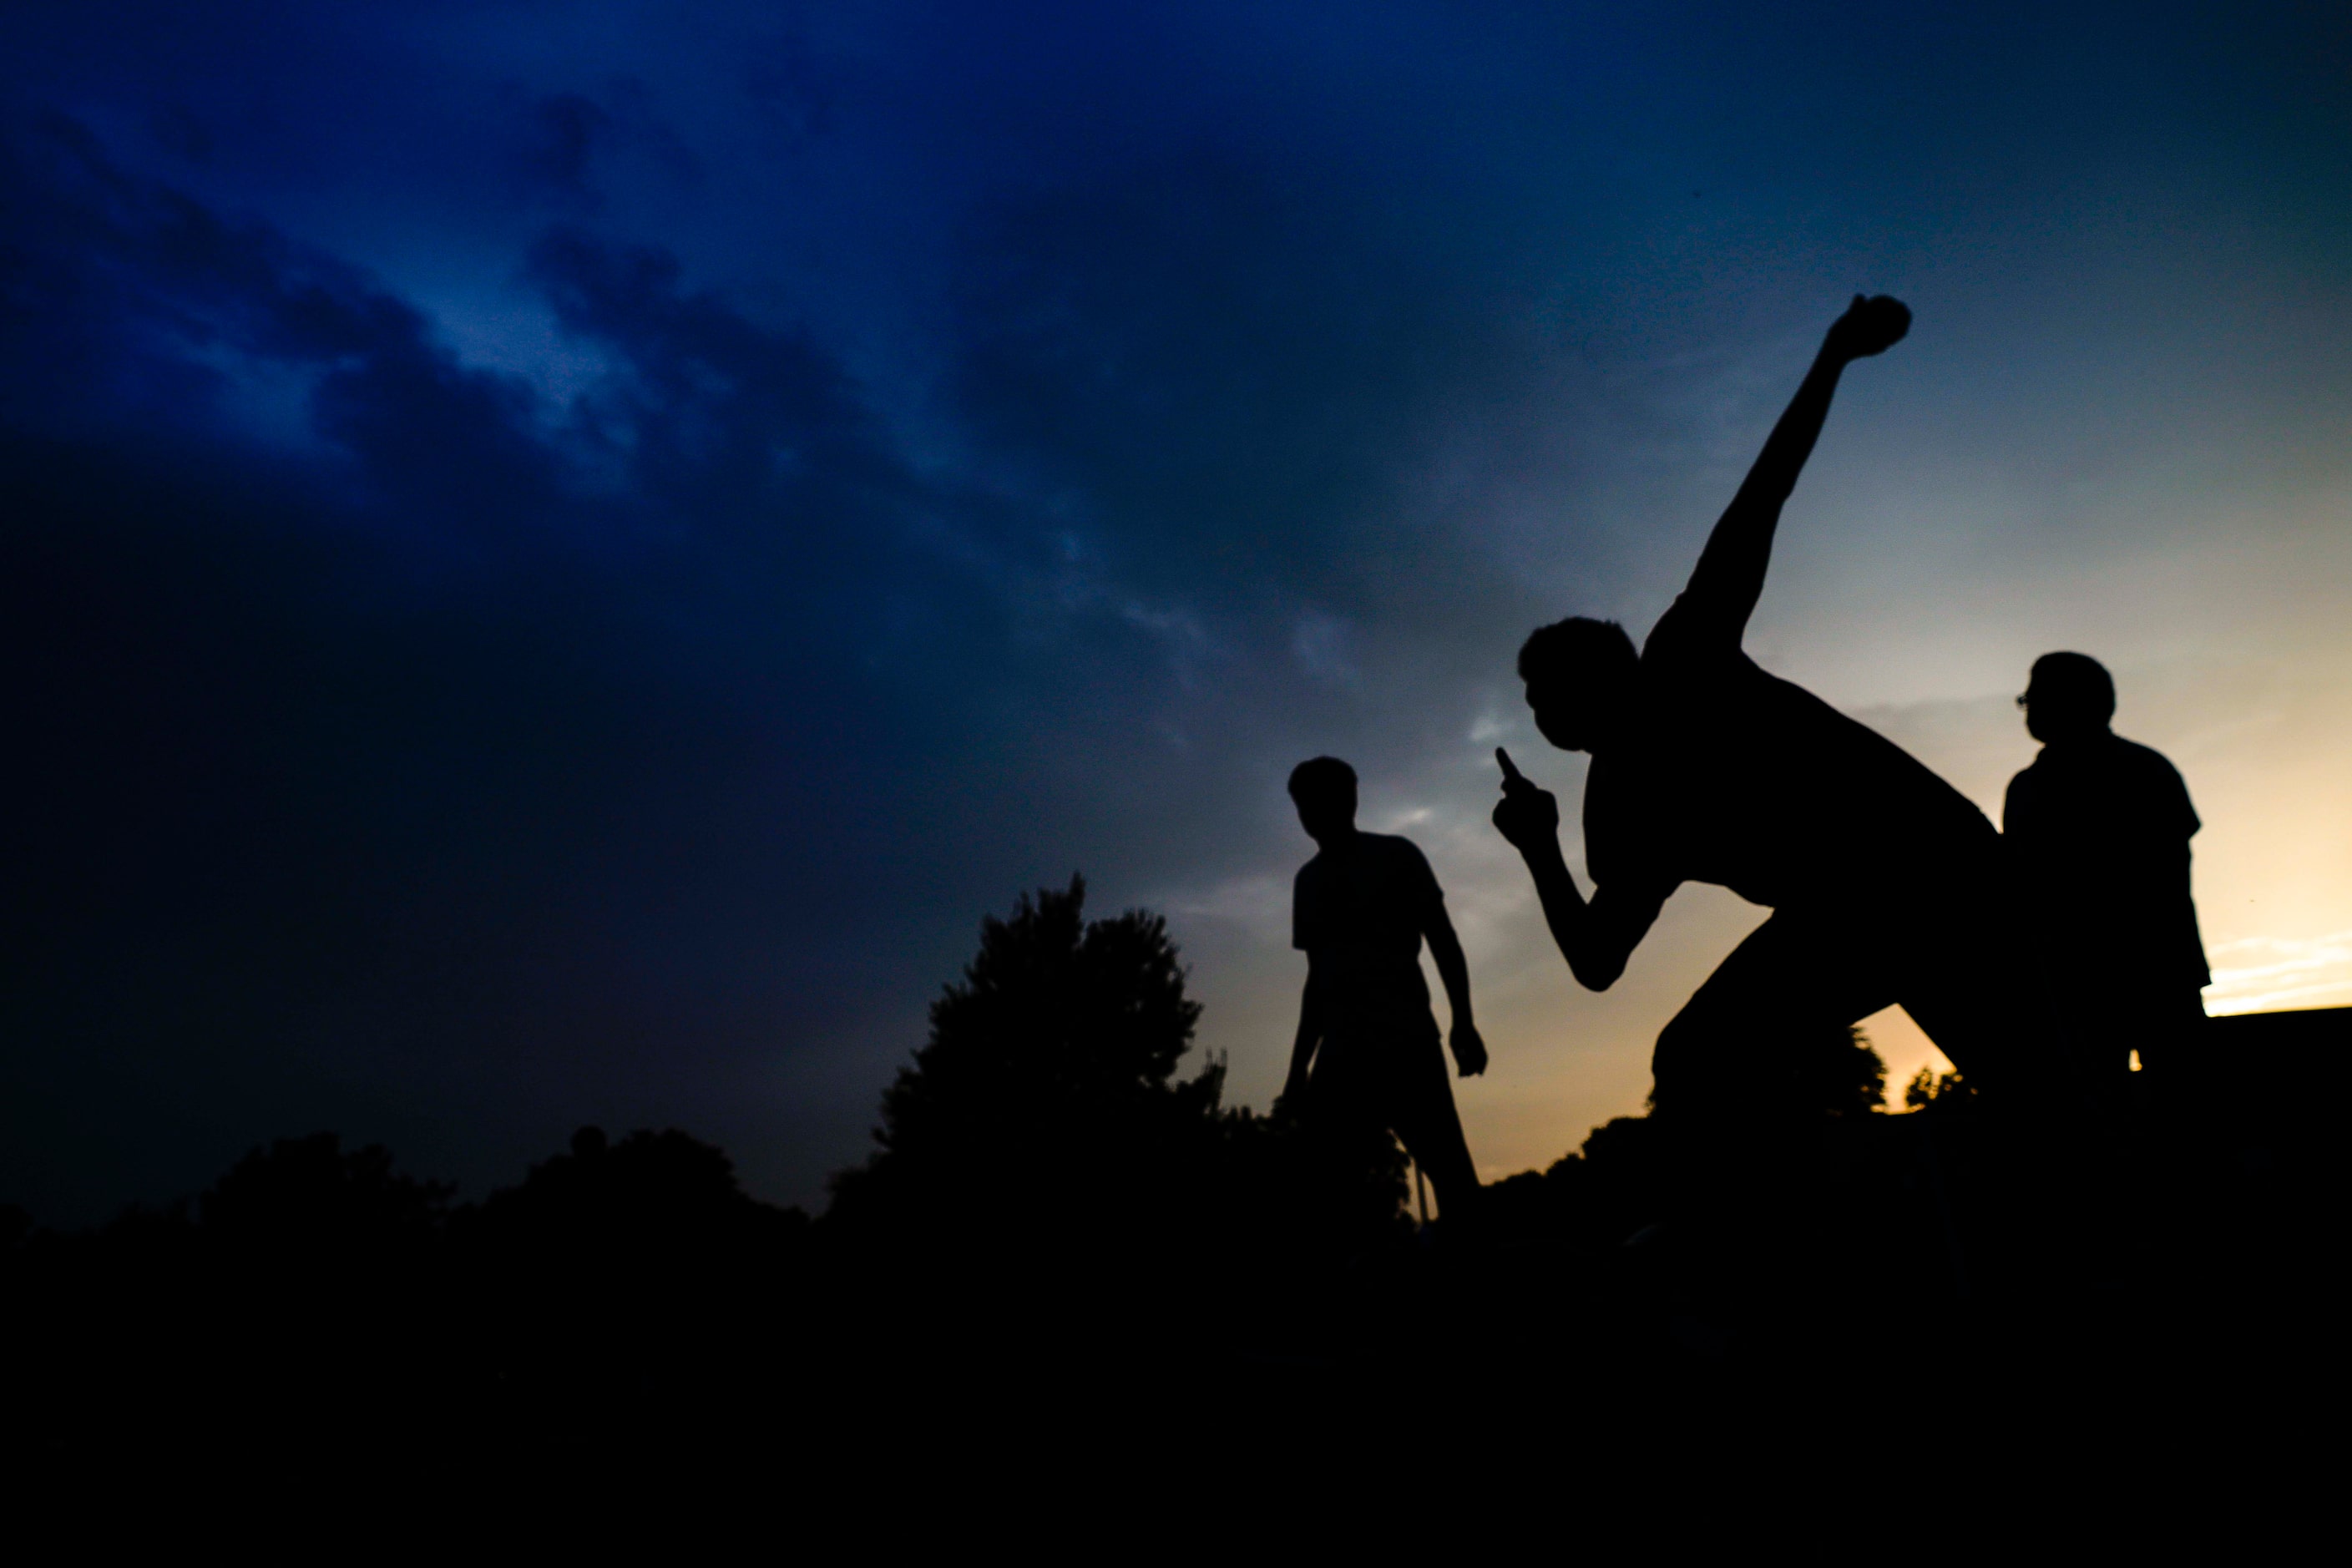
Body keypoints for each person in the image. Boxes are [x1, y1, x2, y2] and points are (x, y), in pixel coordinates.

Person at [1491, 296, 2044, 1121]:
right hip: (1871, 904)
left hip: (1932, 864)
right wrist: (1538, 848)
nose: (1536, 716)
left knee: (1702, 1054)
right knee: (1703, 1055)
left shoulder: (1685, 657)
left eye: (1544, 695)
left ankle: (1769, 1232)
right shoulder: (1620, 808)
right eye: (1532, 703)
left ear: (1599, 680)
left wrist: (1833, 357)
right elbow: (1600, 961)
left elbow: (1764, 495)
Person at [1283, 756, 1487, 1221]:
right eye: (1301, 805)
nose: (1309, 813)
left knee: (1452, 1176)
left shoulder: (1397, 856)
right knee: (1324, 1193)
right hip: (1340, 1056)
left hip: (1407, 1041)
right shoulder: (1308, 882)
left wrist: (1464, 1023)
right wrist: (1299, 1067)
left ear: (1349, 800)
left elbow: (1444, 941)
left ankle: (1477, 1276)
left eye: (1317, 800)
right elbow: (1318, 981)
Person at [2003, 652, 2209, 1085]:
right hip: (2154, 969)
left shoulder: (2032, 789)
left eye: (2033, 698)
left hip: (2086, 979)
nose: (2029, 708)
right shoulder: (2147, 767)